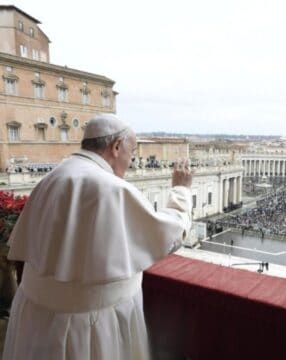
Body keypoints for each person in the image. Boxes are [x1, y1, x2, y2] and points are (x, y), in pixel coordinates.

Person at [3, 113, 193, 360]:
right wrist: (181, 190)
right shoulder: (111, 188)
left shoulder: (50, 179)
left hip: (36, 318)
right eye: (131, 153)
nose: (131, 162)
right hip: (92, 326)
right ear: (116, 147)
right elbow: (169, 233)